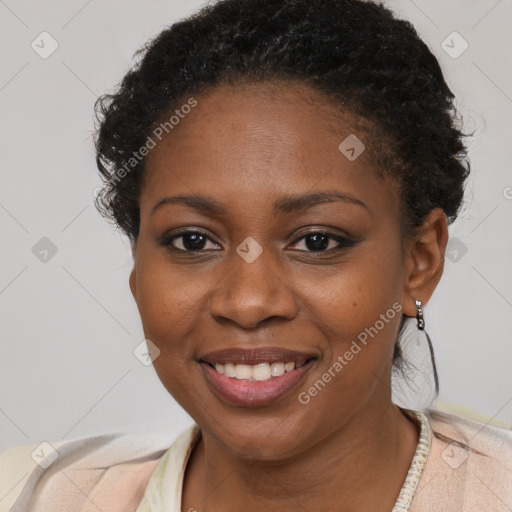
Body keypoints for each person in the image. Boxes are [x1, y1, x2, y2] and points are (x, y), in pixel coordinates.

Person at [1, 0, 511, 510]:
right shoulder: (32, 494)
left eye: (317, 241)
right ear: (138, 268)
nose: (247, 302)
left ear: (419, 263)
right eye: (192, 241)